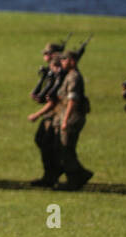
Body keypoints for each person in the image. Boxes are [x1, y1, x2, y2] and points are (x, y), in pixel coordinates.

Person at [26, 42, 66, 187]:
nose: (46, 56)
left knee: (52, 145)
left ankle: (55, 174)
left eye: (48, 53)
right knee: (43, 141)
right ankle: (50, 175)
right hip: (51, 114)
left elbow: (55, 99)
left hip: (56, 115)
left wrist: (36, 114)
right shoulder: (53, 71)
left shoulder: (61, 73)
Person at [54, 49, 93, 190]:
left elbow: (72, 100)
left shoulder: (74, 77)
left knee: (66, 149)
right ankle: (78, 175)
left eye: (65, 59)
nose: (62, 62)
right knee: (66, 149)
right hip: (68, 115)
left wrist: (65, 120)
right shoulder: (69, 75)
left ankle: (76, 178)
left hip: (71, 116)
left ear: (72, 61)